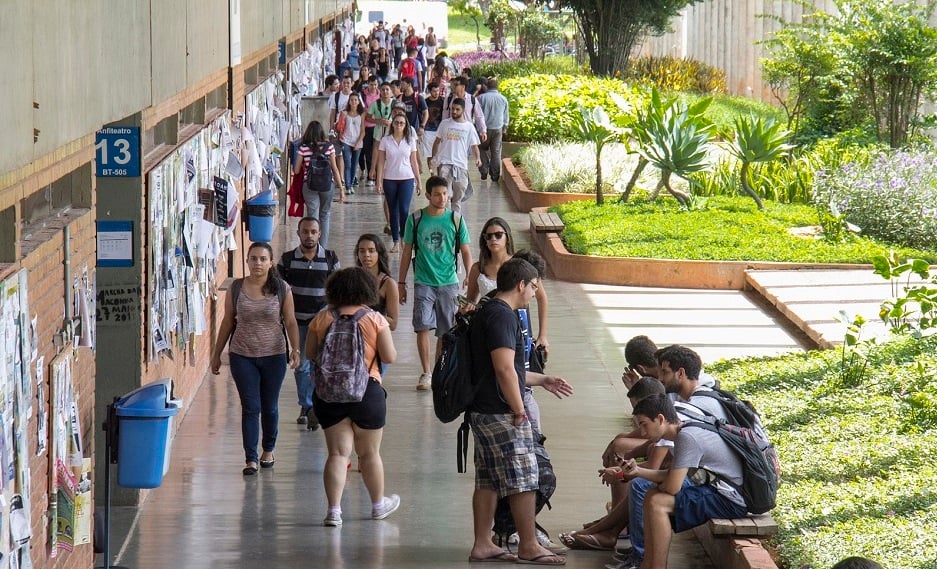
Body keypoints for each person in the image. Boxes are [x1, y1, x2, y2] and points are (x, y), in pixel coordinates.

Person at [466, 257, 572, 565]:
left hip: (482, 409)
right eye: (534, 286)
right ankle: (528, 545)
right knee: (525, 476)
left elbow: (507, 367)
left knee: (487, 479)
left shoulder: (489, 309)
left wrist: (543, 379)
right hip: (501, 410)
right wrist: (518, 407)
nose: (535, 293)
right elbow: (503, 369)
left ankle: (483, 543)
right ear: (521, 285)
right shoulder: (503, 316)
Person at [305, 267, 400, 527]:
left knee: (337, 454)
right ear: (367, 290)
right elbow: (390, 357)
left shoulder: (322, 318)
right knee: (369, 454)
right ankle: (378, 505)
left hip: (329, 394)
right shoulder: (375, 319)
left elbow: (310, 353)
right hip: (367, 392)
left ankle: (334, 511)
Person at [616, 394, 748, 569]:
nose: (642, 433)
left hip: (732, 499)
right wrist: (638, 471)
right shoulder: (683, 432)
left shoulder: (687, 438)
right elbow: (671, 474)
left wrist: (661, 484)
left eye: (644, 424)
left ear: (661, 419)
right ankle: (647, 564)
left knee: (657, 502)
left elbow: (672, 487)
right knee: (652, 496)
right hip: (721, 491)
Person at [210, 242, 301, 475]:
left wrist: (296, 350)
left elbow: (290, 321)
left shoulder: (282, 288)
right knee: (251, 407)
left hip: (274, 355)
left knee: (269, 407)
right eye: (253, 258)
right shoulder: (237, 288)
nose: (257, 263)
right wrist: (216, 353)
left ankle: (268, 450)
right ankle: (250, 458)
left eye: (262, 259)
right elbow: (228, 321)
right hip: (243, 355)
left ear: (271, 262)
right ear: (247, 261)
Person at [397, 176, 472, 391]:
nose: (442, 198)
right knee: (422, 327)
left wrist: (469, 274)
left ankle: (439, 370)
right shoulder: (416, 219)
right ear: (428, 195)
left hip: (449, 283)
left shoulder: (456, 220)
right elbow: (407, 251)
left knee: (445, 330)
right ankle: (426, 372)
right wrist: (401, 283)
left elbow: (466, 250)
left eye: (445, 194)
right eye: (437, 194)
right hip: (423, 282)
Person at [277, 217, 339, 430]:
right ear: (298, 233)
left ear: (319, 233)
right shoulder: (286, 260)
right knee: (302, 365)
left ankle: (319, 405)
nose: (309, 235)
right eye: (305, 232)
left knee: (322, 365)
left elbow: (337, 292)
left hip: (323, 323)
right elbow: (280, 292)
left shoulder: (330, 259)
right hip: (298, 323)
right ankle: (307, 406)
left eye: (313, 232)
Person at [294, 121, 344, 247]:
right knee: (325, 215)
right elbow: (335, 169)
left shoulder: (303, 148)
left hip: (309, 185)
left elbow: (296, 170)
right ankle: (323, 248)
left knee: (312, 215)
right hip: (327, 185)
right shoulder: (330, 147)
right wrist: (342, 189)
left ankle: (312, 246)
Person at [376, 112, 421, 252]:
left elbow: (414, 161)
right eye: (396, 123)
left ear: (405, 125)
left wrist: (419, 181)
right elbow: (381, 161)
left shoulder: (410, 141)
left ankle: (403, 239)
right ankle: (395, 241)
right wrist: (379, 181)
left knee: (404, 209)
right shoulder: (385, 140)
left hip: (407, 178)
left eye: (402, 123)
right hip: (390, 179)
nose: (399, 125)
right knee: (393, 210)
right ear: (392, 124)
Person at [431, 98, 481, 213]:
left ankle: (456, 221)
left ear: (463, 110)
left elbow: (474, 146)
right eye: (452, 109)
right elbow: (437, 142)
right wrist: (434, 158)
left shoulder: (469, 127)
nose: (454, 111)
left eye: (457, 109)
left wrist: (478, 158)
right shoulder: (444, 124)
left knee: (458, 197)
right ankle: (447, 219)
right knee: (445, 196)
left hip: (461, 166)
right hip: (445, 164)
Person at [355, 234, 399, 331]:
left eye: (371, 251)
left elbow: (393, 324)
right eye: (362, 251)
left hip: (377, 338)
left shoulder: (388, 283)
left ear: (379, 253)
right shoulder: (352, 279)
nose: (366, 255)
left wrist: (369, 313)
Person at [477, 78, 510, 182]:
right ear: (497, 87)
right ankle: (495, 175)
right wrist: (504, 128)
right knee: (496, 152)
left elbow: (477, 114)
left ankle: (484, 170)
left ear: (487, 86)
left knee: (481, 149)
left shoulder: (481, 98)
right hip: (497, 129)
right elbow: (506, 116)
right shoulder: (503, 99)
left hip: (483, 130)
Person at [365, 83, 396, 190]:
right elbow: (368, 117)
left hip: (393, 132)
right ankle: (374, 173)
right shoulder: (375, 104)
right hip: (379, 132)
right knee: (377, 154)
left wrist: (392, 123)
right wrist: (378, 121)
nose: (385, 92)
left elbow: (402, 118)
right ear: (380, 91)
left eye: (387, 89)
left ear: (391, 91)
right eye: (383, 90)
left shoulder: (396, 104)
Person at [338, 94, 366, 193]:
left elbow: (363, 130)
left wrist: (358, 143)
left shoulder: (362, 114)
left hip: (357, 141)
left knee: (354, 164)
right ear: (349, 102)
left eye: (355, 100)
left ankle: (351, 183)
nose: (354, 102)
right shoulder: (344, 113)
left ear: (358, 102)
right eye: (352, 100)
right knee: (348, 164)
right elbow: (340, 127)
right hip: (345, 140)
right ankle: (348, 186)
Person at [359, 76, 382, 185]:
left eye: (375, 84)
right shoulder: (362, 95)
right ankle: (370, 175)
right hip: (366, 127)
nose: (373, 87)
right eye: (371, 84)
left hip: (378, 127)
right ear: (368, 84)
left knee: (378, 152)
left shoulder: (381, 95)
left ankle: (377, 175)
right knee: (368, 152)